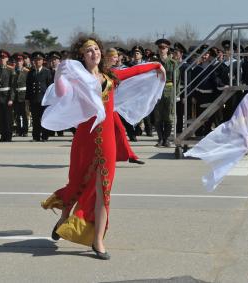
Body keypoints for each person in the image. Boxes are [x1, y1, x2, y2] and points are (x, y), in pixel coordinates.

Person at [41, 37, 165, 259]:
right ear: (81, 56)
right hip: (85, 139)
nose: (94, 53)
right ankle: (63, 217)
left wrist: (157, 66)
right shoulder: (77, 79)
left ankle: (97, 240)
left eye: (96, 49)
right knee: (77, 182)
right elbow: (60, 93)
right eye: (88, 50)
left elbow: (135, 71)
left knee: (103, 189)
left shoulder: (111, 77)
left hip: (106, 140)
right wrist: (59, 73)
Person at [26, 51, 52, 142]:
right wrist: (28, 99)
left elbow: (50, 86)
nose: (37, 62)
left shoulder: (47, 72)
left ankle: (45, 136)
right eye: (36, 60)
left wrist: (50, 100)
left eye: (39, 60)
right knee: (35, 119)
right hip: (34, 99)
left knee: (44, 119)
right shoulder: (31, 73)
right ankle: (35, 136)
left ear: (42, 61)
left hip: (44, 99)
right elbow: (28, 87)